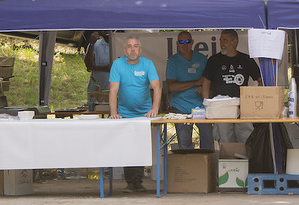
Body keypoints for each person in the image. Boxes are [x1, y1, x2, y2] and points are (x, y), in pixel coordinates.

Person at [109, 35, 162, 193]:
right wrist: (114, 113)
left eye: (136, 46)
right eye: (129, 46)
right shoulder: (118, 64)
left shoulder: (148, 64)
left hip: (143, 115)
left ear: (140, 49)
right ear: (125, 50)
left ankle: (137, 182)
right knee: (128, 148)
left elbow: (157, 87)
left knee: (140, 148)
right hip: (124, 113)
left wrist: (155, 109)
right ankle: (131, 183)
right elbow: (113, 90)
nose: (133, 49)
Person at [202, 29, 262, 144]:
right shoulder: (213, 60)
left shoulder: (246, 59)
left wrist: (257, 100)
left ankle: (248, 161)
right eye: (220, 40)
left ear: (235, 42)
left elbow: (260, 80)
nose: (222, 43)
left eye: (225, 40)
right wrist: (207, 106)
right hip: (221, 107)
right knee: (225, 139)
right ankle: (227, 162)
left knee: (246, 137)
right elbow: (206, 82)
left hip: (243, 106)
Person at [166, 31, 214, 150]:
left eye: (188, 41)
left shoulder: (202, 58)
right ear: (177, 43)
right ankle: (189, 167)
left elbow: (209, 80)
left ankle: (206, 167)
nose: (184, 44)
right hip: (180, 107)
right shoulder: (172, 61)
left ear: (192, 42)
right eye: (181, 42)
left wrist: (204, 86)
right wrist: (196, 82)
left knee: (208, 142)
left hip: (201, 107)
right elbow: (171, 87)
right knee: (184, 144)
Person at [85, 31, 111, 111]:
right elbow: (89, 66)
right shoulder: (95, 44)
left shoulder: (122, 44)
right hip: (97, 91)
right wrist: (92, 43)